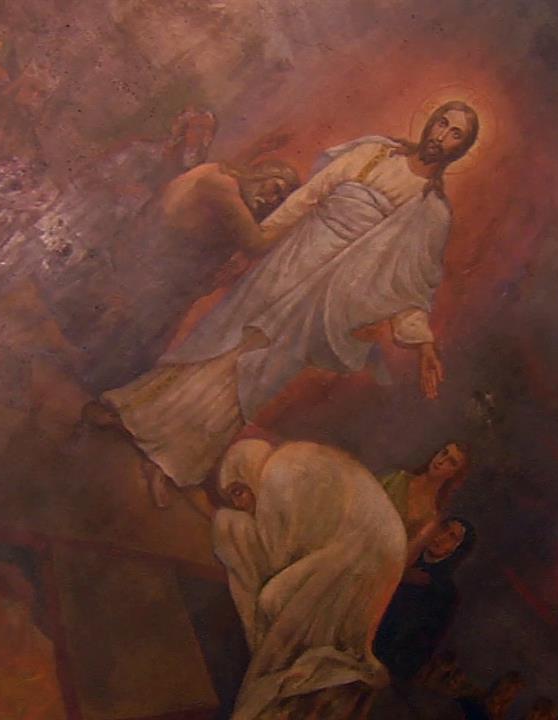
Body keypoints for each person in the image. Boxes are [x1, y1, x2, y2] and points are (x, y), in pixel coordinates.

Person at [98, 100, 481, 499]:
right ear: (430, 122)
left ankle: (173, 462)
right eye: (441, 123)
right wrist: (259, 242)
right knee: (218, 343)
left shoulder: (432, 213)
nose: (441, 136)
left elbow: (410, 284)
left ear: (461, 149)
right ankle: (136, 416)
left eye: (455, 134)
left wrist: (424, 342)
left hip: (325, 298)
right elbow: (308, 197)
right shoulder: (375, 153)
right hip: (289, 260)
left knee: (251, 375)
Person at [211, 438, 406, 720]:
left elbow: (279, 557)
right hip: (377, 549)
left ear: (248, 468)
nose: (240, 504)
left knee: (272, 601)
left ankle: (281, 694)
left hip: (362, 552)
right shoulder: (292, 460)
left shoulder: (274, 474)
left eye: (238, 491)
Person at [373, 517, 475, 684]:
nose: (442, 537)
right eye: (444, 529)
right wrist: (400, 576)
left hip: (379, 660)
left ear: (456, 550)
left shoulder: (445, 594)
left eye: (452, 537)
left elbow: (420, 647)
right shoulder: (400, 554)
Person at [378, 443, 469, 561]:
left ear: (454, 475)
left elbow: (402, 559)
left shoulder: (431, 517)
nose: (441, 461)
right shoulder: (397, 478)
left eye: (451, 462)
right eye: (444, 453)